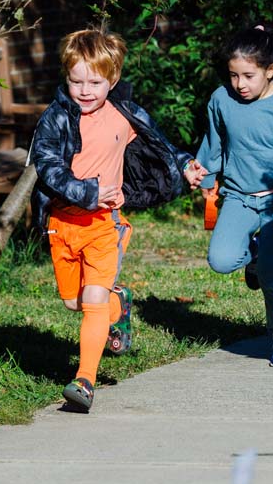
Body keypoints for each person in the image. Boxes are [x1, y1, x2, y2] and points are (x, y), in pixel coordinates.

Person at [31, 29, 199, 412]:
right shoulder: (54, 119)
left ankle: (84, 380)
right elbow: (48, 168)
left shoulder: (125, 115)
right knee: (74, 302)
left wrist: (185, 165)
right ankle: (118, 305)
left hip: (106, 223)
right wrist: (87, 191)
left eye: (95, 82)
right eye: (77, 81)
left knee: (92, 301)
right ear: (66, 78)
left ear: (113, 79)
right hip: (63, 222)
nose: (86, 90)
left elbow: (162, 144)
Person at [190, 25, 273, 367]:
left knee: (272, 274)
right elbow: (213, 143)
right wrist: (207, 177)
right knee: (221, 260)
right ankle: (252, 252)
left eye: (248, 75)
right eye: (233, 75)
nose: (239, 84)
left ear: (271, 70)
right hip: (239, 195)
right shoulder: (221, 100)